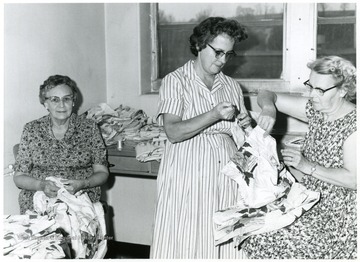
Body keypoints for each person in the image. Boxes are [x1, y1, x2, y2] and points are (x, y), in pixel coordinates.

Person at [151, 17, 251, 259]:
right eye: (217, 52)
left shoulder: (232, 86)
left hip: (226, 171)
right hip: (188, 170)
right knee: (186, 235)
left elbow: (242, 137)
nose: (223, 60)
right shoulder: (176, 81)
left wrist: (246, 126)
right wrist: (214, 114)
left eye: (229, 54)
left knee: (223, 234)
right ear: (198, 45)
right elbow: (173, 132)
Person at [242, 56, 357, 259]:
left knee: (266, 240)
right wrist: (269, 109)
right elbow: (267, 94)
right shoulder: (317, 110)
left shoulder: (353, 125)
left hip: (338, 216)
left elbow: (354, 180)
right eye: (310, 86)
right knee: (252, 230)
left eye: (319, 90)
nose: (311, 94)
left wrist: (306, 165)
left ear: (342, 90)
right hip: (309, 201)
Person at [13, 75, 109, 214]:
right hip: (40, 200)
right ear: (45, 103)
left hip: (79, 200)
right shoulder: (32, 129)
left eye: (67, 99)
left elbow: (102, 173)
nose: (61, 105)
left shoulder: (89, 128)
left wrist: (83, 183)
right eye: (54, 100)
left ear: (73, 102)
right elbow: (19, 178)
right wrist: (41, 185)